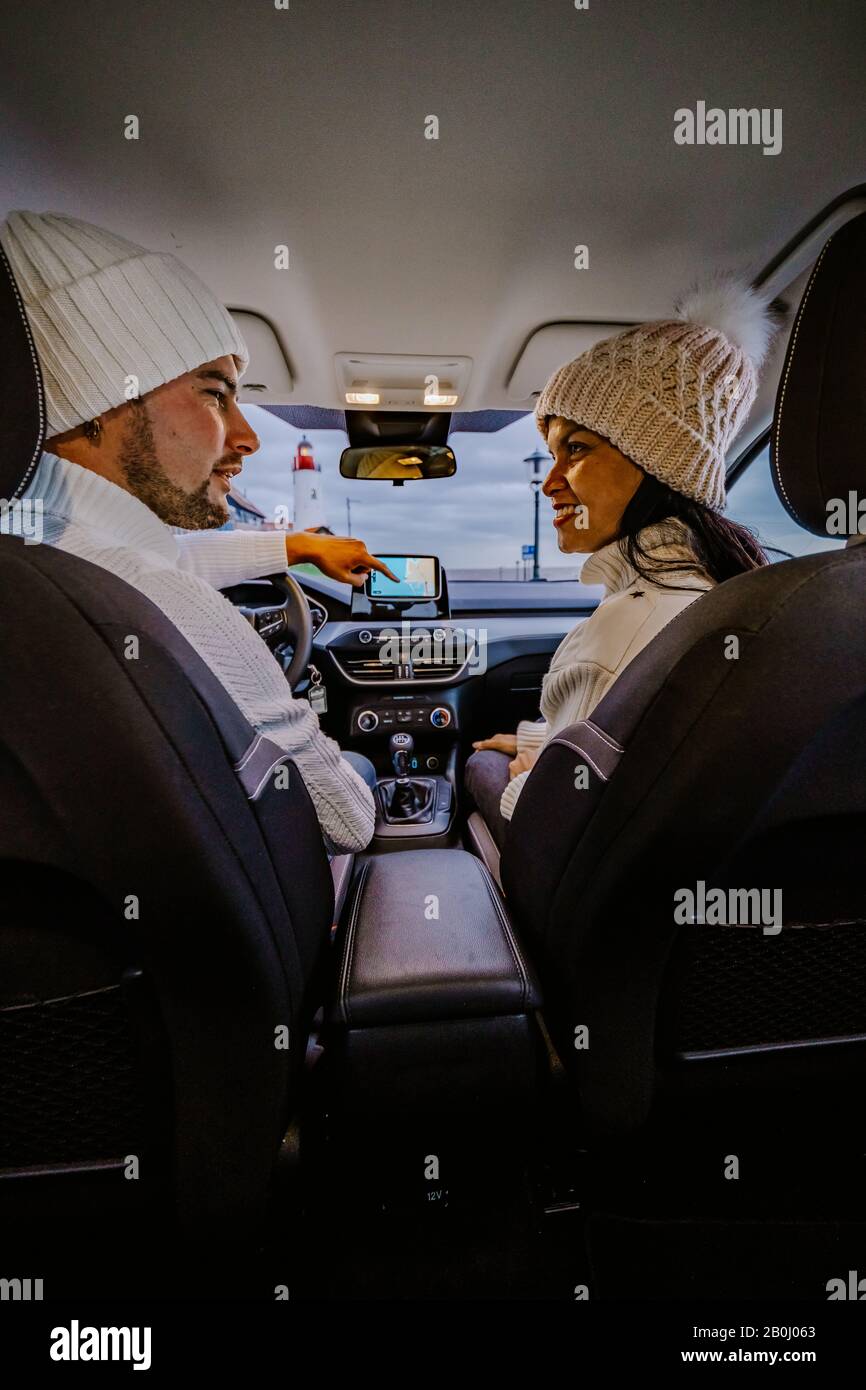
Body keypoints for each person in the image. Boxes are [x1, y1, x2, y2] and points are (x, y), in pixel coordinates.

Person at [1, 209, 397, 854]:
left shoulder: (41, 554)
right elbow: (346, 822)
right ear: (95, 398)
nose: (247, 437)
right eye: (215, 392)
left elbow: (157, 558)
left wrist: (295, 545)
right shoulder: (164, 605)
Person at [466, 275, 778, 848]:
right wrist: (543, 744)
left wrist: (523, 779)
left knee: (478, 768)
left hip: (584, 914)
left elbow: (552, 826)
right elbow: (643, 755)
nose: (550, 482)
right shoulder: (734, 596)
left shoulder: (622, 630)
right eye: (550, 454)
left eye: (577, 449)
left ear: (659, 462)